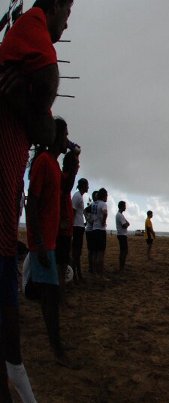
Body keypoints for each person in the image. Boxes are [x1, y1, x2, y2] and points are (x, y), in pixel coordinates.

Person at [0, 0, 74, 398]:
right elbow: (47, 78)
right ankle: (26, 374)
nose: (66, 25)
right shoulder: (31, 27)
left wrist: (31, 112)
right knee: (27, 301)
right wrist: (41, 245)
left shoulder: (52, 161)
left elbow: (44, 125)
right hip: (33, 236)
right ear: (58, 5)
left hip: (26, 229)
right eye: (68, 13)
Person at [26, 114, 78, 369]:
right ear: (56, 137)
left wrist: (74, 163)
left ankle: (57, 346)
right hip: (42, 244)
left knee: (50, 297)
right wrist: (38, 241)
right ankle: (58, 351)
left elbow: (63, 191)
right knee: (51, 298)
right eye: (65, 134)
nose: (67, 139)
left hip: (49, 242)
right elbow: (32, 203)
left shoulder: (54, 166)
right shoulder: (44, 163)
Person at [55, 119, 79, 306]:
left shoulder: (64, 181)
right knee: (60, 265)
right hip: (61, 230)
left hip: (64, 229)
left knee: (63, 264)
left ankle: (61, 297)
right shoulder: (62, 179)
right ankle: (60, 299)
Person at [71, 178, 88, 283]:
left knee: (78, 252)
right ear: (83, 186)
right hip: (76, 227)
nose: (88, 187)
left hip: (79, 226)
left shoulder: (79, 196)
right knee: (76, 253)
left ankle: (78, 274)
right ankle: (75, 276)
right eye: (87, 185)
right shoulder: (77, 196)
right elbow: (72, 212)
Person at [91, 188, 108, 279]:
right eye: (107, 195)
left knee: (94, 253)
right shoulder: (103, 204)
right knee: (101, 253)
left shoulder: (94, 203)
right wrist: (103, 221)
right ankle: (100, 274)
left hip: (94, 229)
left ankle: (94, 273)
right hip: (100, 230)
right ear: (104, 195)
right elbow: (105, 213)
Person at [84, 191, 97, 275]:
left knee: (94, 250)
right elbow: (85, 211)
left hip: (94, 230)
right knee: (91, 250)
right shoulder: (92, 205)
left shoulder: (96, 205)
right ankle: (91, 267)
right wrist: (90, 220)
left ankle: (93, 267)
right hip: (90, 230)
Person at [115, 201, 130, 272]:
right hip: (122, 235)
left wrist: (126, 224)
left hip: (121, 234)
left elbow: (127, 223)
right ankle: (121, 268)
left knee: (123, 251)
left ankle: (122, 267)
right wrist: (126, 224)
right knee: (124, 251)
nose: (125, 207)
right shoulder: (120, 215)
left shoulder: (120, 214)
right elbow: (125, 225)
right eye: (124, 206)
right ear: (122, 206)